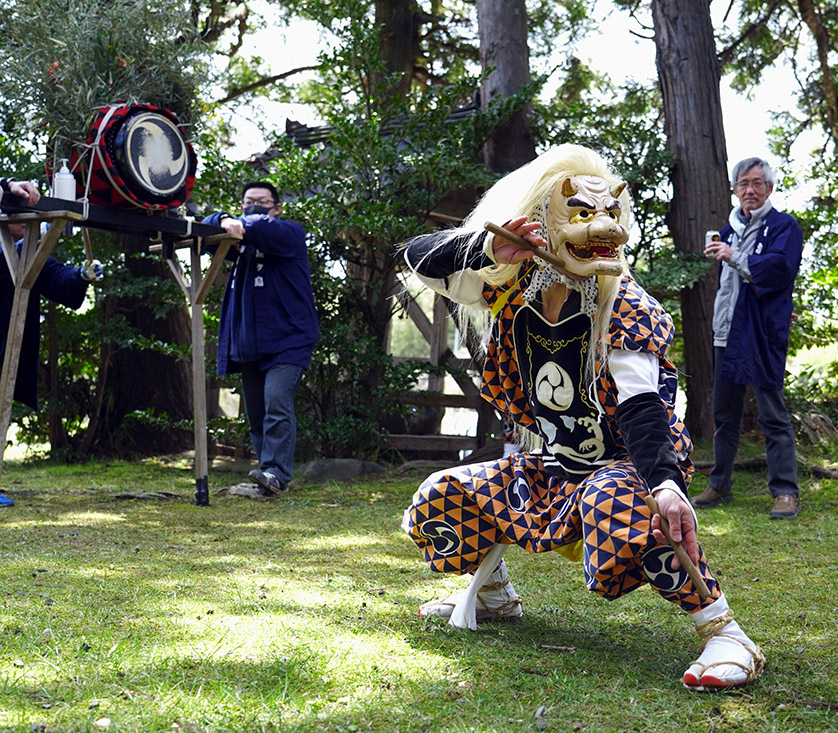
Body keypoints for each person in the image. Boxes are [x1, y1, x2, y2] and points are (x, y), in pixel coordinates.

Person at [400, 144, 766, 692]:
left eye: (611, 215)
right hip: (553, 466)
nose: (603, 230)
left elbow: (643, 409)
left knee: (619, 500)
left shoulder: (623, 307)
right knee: (442, 492)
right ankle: (495, 593)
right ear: (542, 222)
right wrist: (488, 247)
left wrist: (665, 485)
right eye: (580, 213)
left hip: (628, 467)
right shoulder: (508, 293)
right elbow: (417, 258)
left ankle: (724, 631)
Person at [692, 157, 803, 519]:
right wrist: (725, 249)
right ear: (735, 190)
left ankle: (786, 491)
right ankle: (720, 484)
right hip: (726, 333)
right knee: (724, 414)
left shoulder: (784, 226)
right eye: (743, 184)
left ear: (770, 188)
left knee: (772, 414)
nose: (750, 190)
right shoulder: (728, 229)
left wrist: (734, 255)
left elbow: (780, 269)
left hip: (760, 333)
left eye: (757, 183)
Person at [204, 182, 318, 496]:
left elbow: (265, 228)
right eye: (248, 202)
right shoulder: (239, 245)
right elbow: (205, 231)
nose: (254, 206)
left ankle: (277, 474)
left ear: (276, 207)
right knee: (255, 412)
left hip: (289, 340)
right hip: (251, 343)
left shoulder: (289, 235)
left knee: (277, 402)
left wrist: (240, 224)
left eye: (262, 201)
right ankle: (267, 475)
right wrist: (221, 220)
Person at [0, 179, 104, 508]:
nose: (23, 219)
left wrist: (82, 276)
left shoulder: (29, 253)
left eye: (28, 214)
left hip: (7, 349)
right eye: (16, 213)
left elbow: (59, 279)